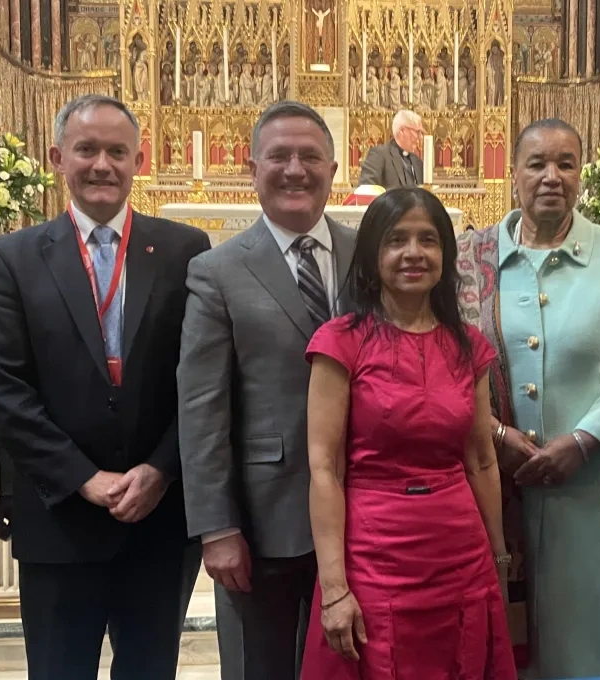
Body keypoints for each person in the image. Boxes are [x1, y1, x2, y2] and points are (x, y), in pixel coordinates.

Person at [0, 94, 210, 679]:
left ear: (139, 160)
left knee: (150, 670)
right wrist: (82, 477)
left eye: (116, 152)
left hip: (159, 517)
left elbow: (202, 377)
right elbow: (2, 386)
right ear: (58, 158)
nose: (102, 164)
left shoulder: (184, 250)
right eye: (86, 150)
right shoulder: (12, 258)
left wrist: (162, 469)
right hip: (60, 518)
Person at [456, 118, 600, 678]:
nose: (552, 176)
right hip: (492, 488)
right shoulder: (467, 260)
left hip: (586, 488)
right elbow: (443, 366)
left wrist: (583, 440)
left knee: (586, 649)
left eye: (566, 163)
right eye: (537, 164)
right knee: (501, 652)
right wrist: (494, 434)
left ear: (581, 174)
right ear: (513, 175)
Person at [300, 188, 516, 678]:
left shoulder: (468, 346)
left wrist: (498, 559)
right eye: (396, 240)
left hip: (461, 556)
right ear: (373, 255)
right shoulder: (341, 342)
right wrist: (334, 588)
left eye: (428, 240)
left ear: (445, 254)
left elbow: (481, 459)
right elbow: (325, 469)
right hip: (374, 559)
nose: (413, 253)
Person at [178, 100, 358, 680]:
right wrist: (217, 527)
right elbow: (201, 406)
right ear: (252, 169)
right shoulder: (218, 270)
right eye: (279, 156)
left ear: (334, 170)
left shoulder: (371, 253)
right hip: (263, 518)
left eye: (310, 157)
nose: (295, 170)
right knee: (262, 667)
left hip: (366, 509)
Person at [357, 109, 425, 189]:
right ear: (402, 131)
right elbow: (366, 188)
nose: (420, 137)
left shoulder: (417, 162)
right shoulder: (379, 155)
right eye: (417, 132)